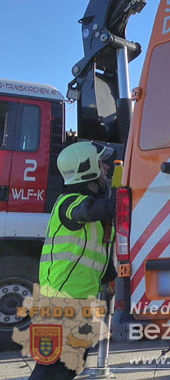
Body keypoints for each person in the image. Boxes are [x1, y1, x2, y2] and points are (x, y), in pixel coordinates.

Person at [30, 142, 116, 380]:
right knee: (52, 371)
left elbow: (96, 255)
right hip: (58, 304)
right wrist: (121, 202)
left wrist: (108, 277)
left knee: (67, 368)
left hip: (76, 303)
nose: (106, 168)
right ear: (88, 169)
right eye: (101, 164)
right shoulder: (69, 202)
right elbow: (85, 211)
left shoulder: (93, 215)